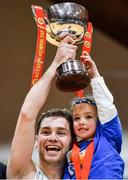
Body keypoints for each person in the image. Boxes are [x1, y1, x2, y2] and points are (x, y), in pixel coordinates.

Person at [7, 36, 77, 179]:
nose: (52, 138)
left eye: (61, 133)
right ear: (35, 141)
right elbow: (27, 115)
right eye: (45, 132)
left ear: (72, 142)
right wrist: (57, 63)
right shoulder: (22, 174)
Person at [63, 54, 125, 179]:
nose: (81, 122)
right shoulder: (70, 153)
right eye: (76, 118)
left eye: (89, 117)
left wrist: (94, 76)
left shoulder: (107, 137)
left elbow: (106, 107)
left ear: (99, 121)